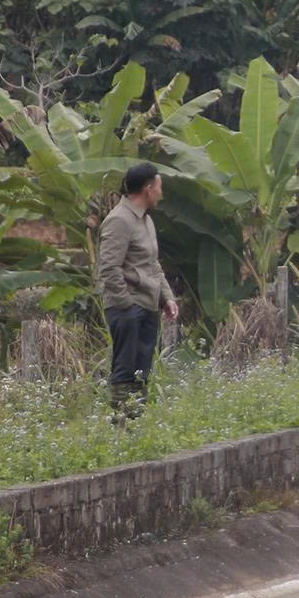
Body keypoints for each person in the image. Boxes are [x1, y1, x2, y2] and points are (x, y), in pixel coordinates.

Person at [96, 161, 177, 413]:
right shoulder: (119, 220)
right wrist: (126, 305)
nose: (161, 194)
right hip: (127, 307)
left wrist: (167, 297)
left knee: (142, 370)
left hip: (148, 305)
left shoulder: (146, 221)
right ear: (148, 188)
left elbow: (152, 264)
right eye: (159, 187)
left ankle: (135, 421)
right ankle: (120, 426)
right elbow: (108, 268)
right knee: (125, 368)